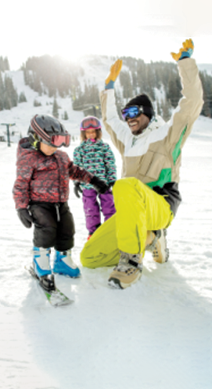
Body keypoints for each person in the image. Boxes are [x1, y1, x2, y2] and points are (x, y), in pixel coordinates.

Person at [80, 39, 204, 289]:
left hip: (160, 205)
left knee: (125, 185)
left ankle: (131, 261)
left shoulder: (168, 134)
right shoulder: (128, 140)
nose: (129, 119)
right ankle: (150, 238)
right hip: (132, 211)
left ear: (148, 112)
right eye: (126, 115)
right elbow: (109, 118)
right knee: (89, 257)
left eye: (134, 112)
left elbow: (192, 103)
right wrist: (108, 87)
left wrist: (185, 63)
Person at [12, 114, 109, 287]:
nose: (54, 147)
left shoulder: (61, 157)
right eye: (51, 142)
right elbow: (20, 184)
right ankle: (40, 262)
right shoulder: (29, 159)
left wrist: (94, 180)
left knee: (67, 229)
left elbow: (75, 171)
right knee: (46, 229)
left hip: (61, 203)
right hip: (39, 204)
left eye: (59, 142)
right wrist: (21, 208)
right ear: (36, 139)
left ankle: (62, 261)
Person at [73, 116, 117, 239]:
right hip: (87, 185)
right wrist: (77, 183)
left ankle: (111, 228)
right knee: (90, 209)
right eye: (88, 132)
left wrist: (112, 179)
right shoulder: (79, 150)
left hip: (104, 184)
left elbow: (110, 164)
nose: (91, 135)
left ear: (98, 132)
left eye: (93, 132)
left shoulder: (104, 148)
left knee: (109, 206)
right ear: (84, 134)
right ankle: (93, 232)